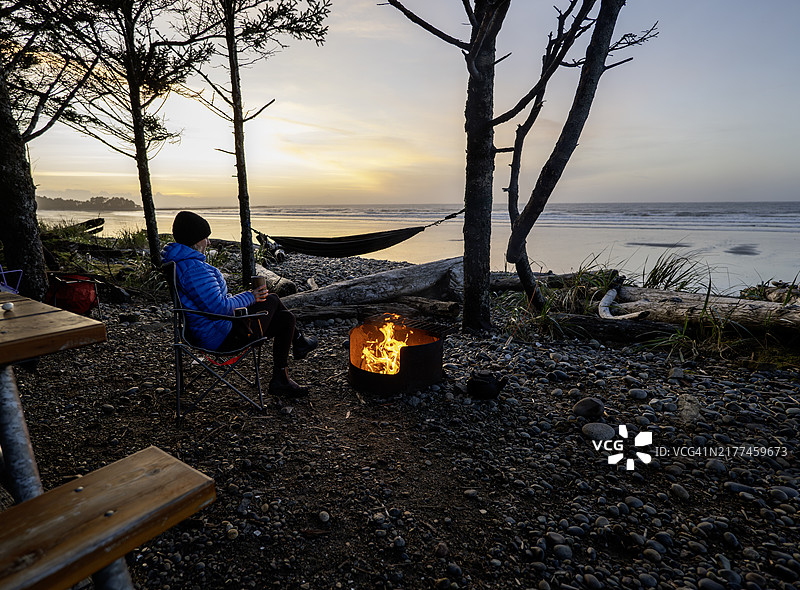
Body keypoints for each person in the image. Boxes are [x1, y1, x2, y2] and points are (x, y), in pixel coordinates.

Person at [162, 211, 316, 397]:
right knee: (273, 300)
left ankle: (284, 372)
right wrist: (251, 296)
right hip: (221, 336)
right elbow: (220, 308)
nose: (208, 243)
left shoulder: (182, 263)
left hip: (213, 328)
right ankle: (296, 347)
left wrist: (247, 298)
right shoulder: (194, 269)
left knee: (286, 318)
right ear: (194, 240)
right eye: (205, 238)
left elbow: (214, 302)